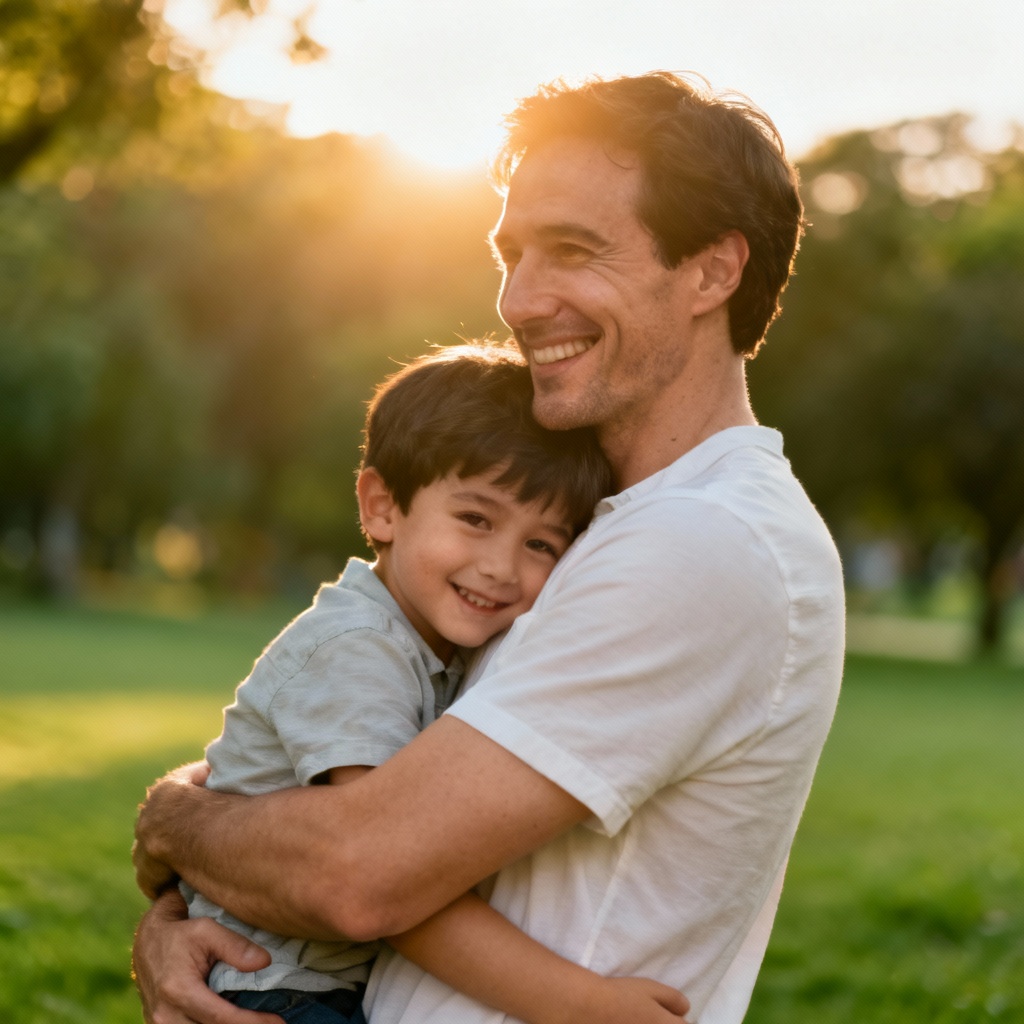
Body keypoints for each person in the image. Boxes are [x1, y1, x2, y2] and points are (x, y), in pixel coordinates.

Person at [133, 70, 845, 1024]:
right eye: (512, 254)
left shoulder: (705, 540)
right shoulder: (586, 523)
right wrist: (193, 910)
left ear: (713, 271)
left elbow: (357, 874)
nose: (520, 299)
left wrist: (176, 820)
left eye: (573, 250)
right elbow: (344, 786)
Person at [170, 343, 689, 1024]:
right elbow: (385, 876)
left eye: (542, 545)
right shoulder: (360, 650)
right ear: (383, 507)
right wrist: (584, 1004)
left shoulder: (429, 643)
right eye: (475, 519)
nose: (502, 567)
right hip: (275, 992)